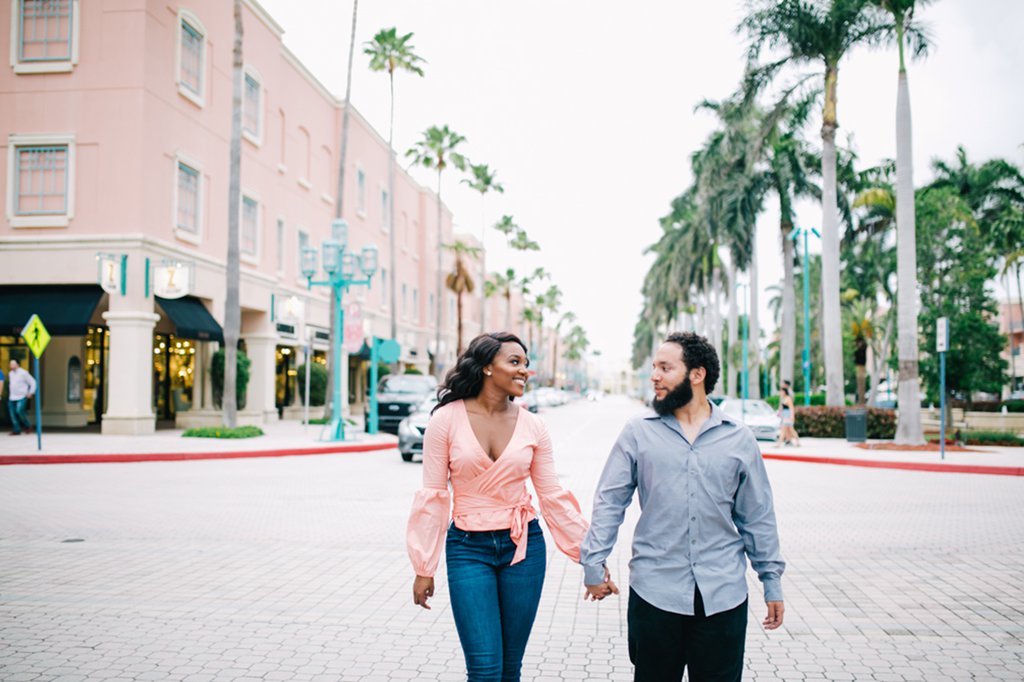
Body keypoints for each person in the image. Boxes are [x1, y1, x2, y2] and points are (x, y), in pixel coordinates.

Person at [581, 331, 785, 682]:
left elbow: (757, 517)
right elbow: (610, 501)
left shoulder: (738, 438)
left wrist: (772, 581)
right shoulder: (638, 432)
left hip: (723, 596)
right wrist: (593, 562)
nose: (654, 376)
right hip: (654, 594)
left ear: (697, 374)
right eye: (654, 368)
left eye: (665, 367)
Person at [407, 332, 592, 682]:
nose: (524, 370)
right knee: (485, 670)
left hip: (524, 548)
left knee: (510, 669)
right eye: (515, 362)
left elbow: (551, 496)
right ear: (488, 367)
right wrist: (423, 566)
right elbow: (432, 496)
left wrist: (589, 555)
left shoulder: (534, 425)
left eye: (526, 363)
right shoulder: (445, 420)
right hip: (467, 548)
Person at [8, 358, 37, 436]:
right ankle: (16, 429)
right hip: (12, 397)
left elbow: (33, 382)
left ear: (17, 364)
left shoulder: (24, 373)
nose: (11, 365)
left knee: (19, 411)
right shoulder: (10, 373)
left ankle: (28, 426)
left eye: (13, 363)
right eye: (10, 364)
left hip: (22, 396)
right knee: (12, 414)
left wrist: (31, 392)